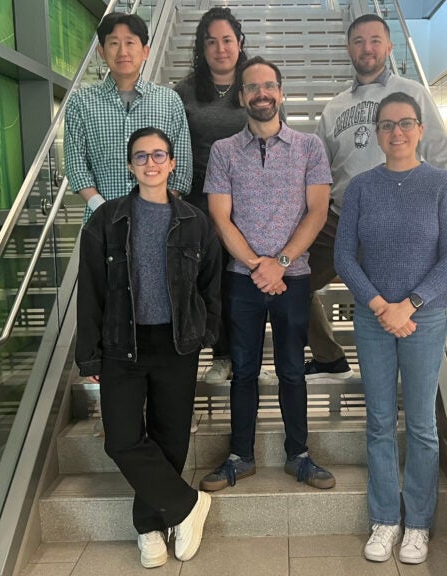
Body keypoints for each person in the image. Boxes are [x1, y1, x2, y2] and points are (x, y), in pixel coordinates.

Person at [306, 13, 447, 381]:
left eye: (375, 40)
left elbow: (441, 149)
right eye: (358, 41)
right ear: (349, 49)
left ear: (390, 47)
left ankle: (410, 375)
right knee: (292, 282)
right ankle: (328, 355)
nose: (367, 48)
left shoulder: (412, 94)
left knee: (399, 293)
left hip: (394, 222)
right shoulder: (334, 108)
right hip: (340, 220)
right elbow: (316, 171)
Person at [75, 127, 219, 568]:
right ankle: (187, 505)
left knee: (170, 437)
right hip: (124, 343)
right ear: (129, 165)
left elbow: (210, 284)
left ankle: (151, 527)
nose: (151, 163)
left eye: (159, 155)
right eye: (141, 156)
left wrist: (207, 334)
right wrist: (89, 352)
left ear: (173, 163)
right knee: (121, 439)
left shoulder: (195, 220)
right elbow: (92, 290)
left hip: (177, 344)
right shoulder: (107, 221)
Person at [334, 92, 447, 565]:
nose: (397, 133)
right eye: (387, 125)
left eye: (406, 123)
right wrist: (379, 305)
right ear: (376, 132)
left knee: (422, 424)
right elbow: (344, 255)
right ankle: (385, 519)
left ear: (420, 129)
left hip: (424, 317)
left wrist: (408, 305)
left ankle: (418, 524)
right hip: (373, 318)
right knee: (378, 421)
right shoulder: (362, 188)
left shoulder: (442, 186)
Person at [199, 56, 336, 492]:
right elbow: (221, 217)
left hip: (292, 278)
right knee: (243, 371)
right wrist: (258, 265)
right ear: (241, 97)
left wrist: (279, 263)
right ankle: (240, 457)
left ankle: (299, 455)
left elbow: (317, 212)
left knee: (293, 370)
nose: (262, 93)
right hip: (242, 279)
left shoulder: (310, 147)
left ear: (281, 93)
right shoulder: (223, 152)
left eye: (269, 86)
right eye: (252, 87)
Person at [174, 7, 259, 386]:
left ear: (239, 44)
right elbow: (173, 142)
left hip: (247, 198)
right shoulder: (186, 90)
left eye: (227, 40)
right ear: (202, 47)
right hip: (196, 197)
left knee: (238, 277)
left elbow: (274, 134)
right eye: (212, 41)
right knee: (203, 278)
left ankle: (239, 354)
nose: (220, 48)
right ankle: (211, 352)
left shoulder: (255, 83)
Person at [64, 12, 192, 221]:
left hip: (159, 220)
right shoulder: (81, 102)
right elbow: (76, 165)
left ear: (145, 51)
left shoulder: (169, 101)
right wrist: (103, 209)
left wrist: (156, 208)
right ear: (101, 52)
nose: (122, 51)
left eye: (130, 43)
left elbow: (182, 168)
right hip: (101, 221)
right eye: (114, 43)